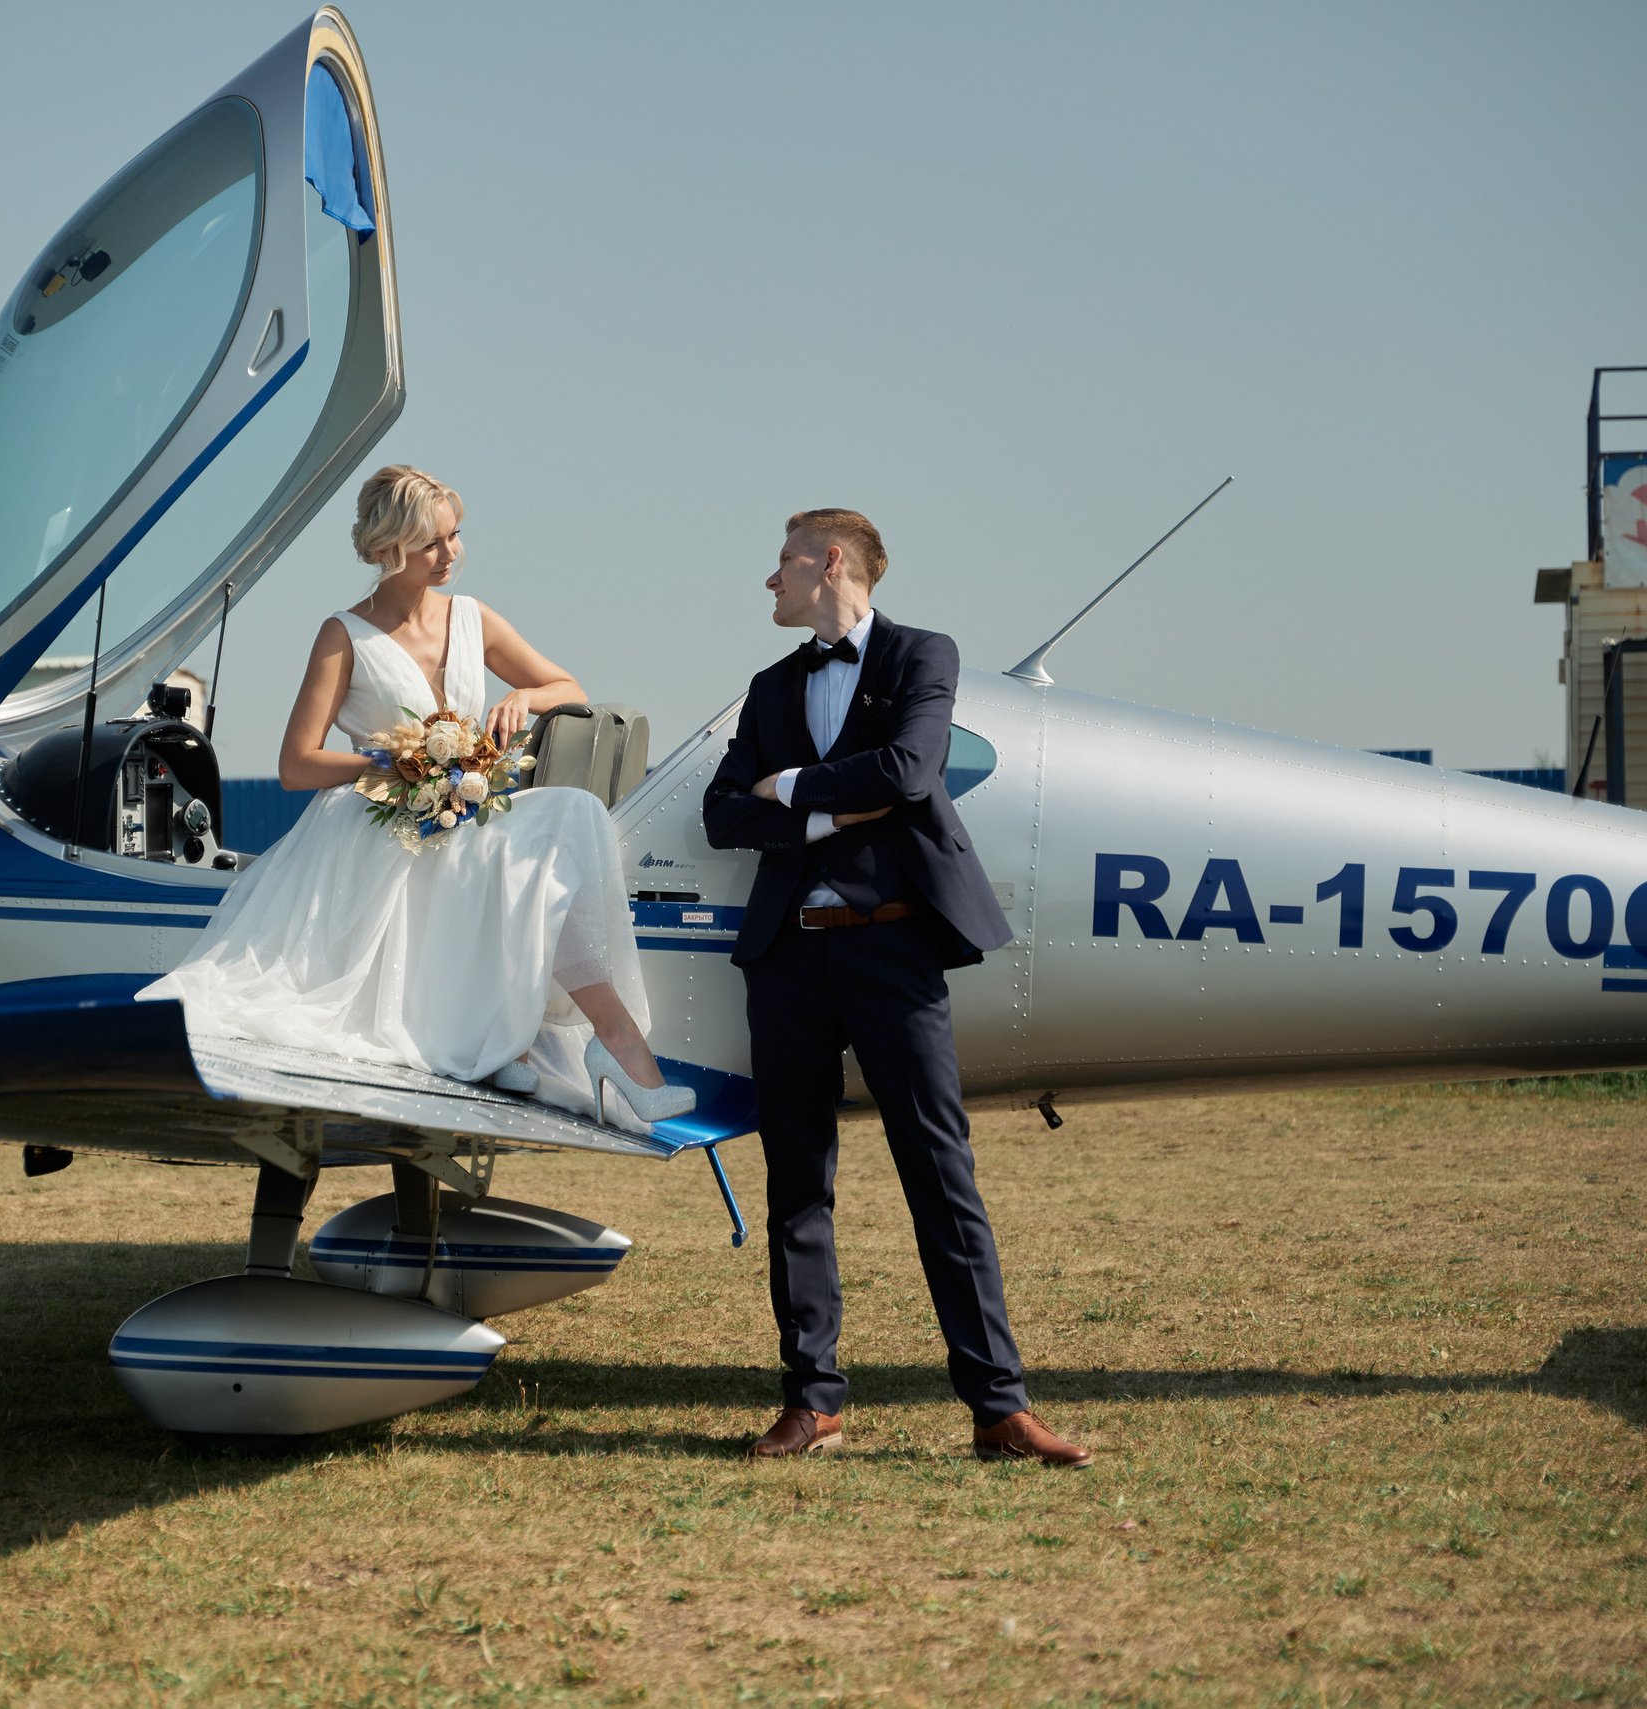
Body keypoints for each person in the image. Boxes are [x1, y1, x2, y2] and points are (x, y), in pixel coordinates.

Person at [702, 508, 1088, 1467]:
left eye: (782, 563)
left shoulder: (925, 654)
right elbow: (719, 813)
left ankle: (999, 1406)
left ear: (830, 562)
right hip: (788, 958)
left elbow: (913, 771)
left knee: (940, 1175)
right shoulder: (769, 686)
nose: (770, 583)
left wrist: (786, 791)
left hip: (894, 952)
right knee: (796, 1183)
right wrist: (828, 811)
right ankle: (813, 1401)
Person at [143, 465, 691, 1126]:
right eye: (433, 543)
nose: (451, 553)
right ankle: (512, 1040)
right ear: (389, 547)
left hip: (467, 804)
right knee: (494, 854)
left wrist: (523, 695)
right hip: (376, 820)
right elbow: (296, 763)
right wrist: (389, 764)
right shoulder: (344, 634)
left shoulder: (473, 617)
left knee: (571, 814)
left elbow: (566, 687)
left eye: (454, 536)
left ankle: (609, 1041)